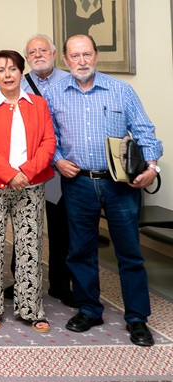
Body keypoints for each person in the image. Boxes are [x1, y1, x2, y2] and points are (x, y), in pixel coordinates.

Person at [44, 34, 163, 347]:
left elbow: (146, 133)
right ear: (65, 60)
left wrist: (151, 168)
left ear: (96, 56)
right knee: (80, 251)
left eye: (87, 55)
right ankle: (89, 309)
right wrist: (57, 161)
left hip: (119, 184)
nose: (81, 61)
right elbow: (48, 137)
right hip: (78, 183)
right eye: (75, 56)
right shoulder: (55, 94)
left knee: (130, 254)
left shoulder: (121, 90)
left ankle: (137, 319)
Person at [0, 50, 56, 333]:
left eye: (13, 69)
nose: (7, 75)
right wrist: (9, 174)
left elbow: (48, 141)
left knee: (30, 246)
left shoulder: (39, 104)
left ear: (21, 72)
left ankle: (31, 308)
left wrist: (26, 173)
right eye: (1, 70)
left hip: (31, 184)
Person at [20, 34, 76, 308]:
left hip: (61, 167)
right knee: (24, 226)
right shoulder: (18, 83)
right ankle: (20, 280)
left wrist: (57, 158)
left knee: (59, 227)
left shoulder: (70, 80)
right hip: (27, 167)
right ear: (27, 58)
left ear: (55, 54)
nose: (38, 54)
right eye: (33, 52)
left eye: (44, 50)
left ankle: (60, 284)